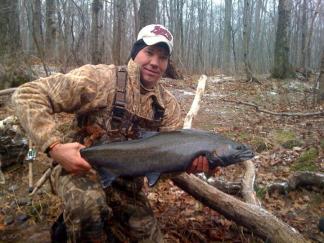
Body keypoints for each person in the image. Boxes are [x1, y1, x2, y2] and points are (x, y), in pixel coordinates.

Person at [12, 24, 212, 243]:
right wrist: (54, 147)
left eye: (163, 57)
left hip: (126, 186)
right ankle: (72, 228)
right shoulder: (100, 79)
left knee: (148, 237)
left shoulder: (167, 108)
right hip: (78, 170)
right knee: (87, 206)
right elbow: (26, 95)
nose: (155, 62)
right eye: (149, 52)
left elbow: (159, 171)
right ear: (136, 52)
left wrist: (185, 165)